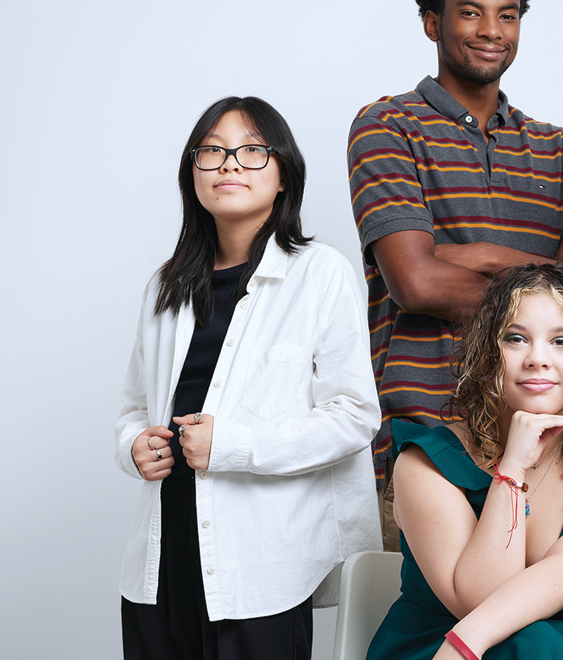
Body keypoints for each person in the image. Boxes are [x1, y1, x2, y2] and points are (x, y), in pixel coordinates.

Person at [346, 0, 563, 550]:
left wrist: (483, 256)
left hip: (550, 446)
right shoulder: (387, 126)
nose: (492, 29)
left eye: (507, 14)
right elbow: (416, 283)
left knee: (537, 635)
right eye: (471, 12)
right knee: (431, 639)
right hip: (426, 440)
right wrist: (548, 280)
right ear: (432, 21)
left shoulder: (561, 152)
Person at [113, 96, 382, 660]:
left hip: (261, 563)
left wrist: (233, 446)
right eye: (211, 151)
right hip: (164, 556)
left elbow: (354, 415)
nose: (229, 164)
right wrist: (132, 445)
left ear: (284, 173)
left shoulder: (318, 273)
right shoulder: (165, 288)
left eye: (252, 151)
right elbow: (134, 408)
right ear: (193, 173)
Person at [366, 264, 563, 660]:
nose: (538, 358)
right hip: (432, 644)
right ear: (487, 355)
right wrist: (513, 468)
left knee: (537, 644)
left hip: (549, 647)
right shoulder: (425, 462)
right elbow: (478, 599)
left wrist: (464, 644)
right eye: (515, 339)